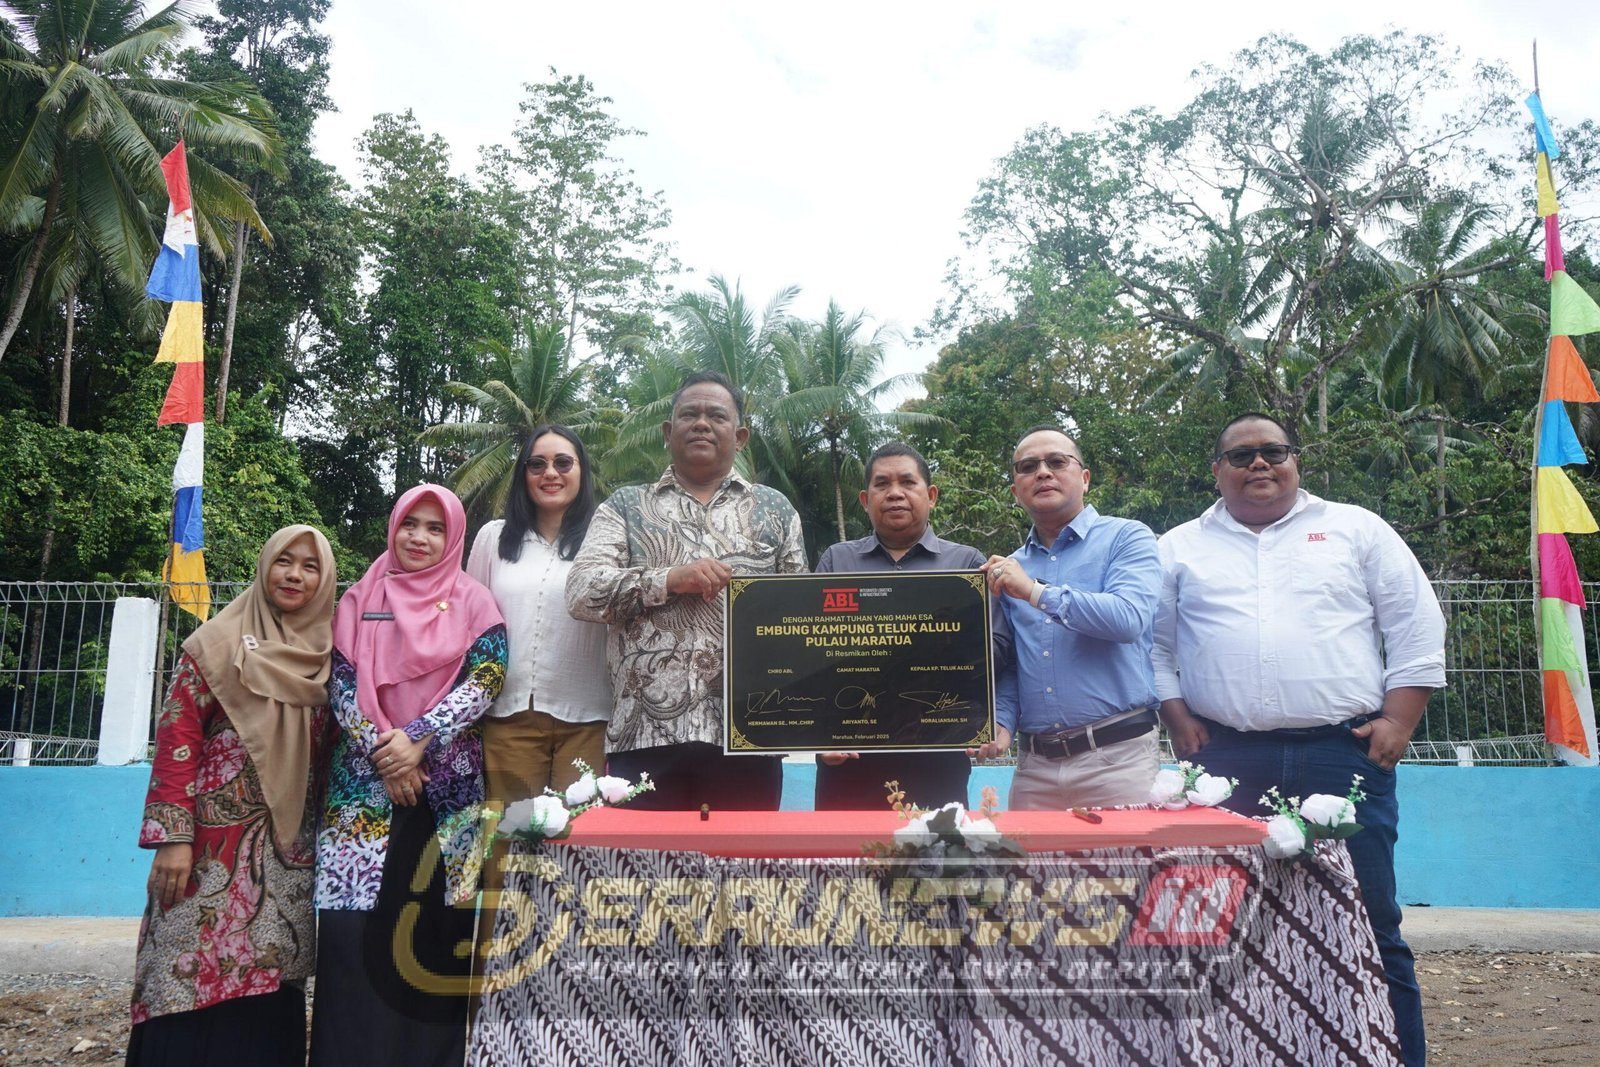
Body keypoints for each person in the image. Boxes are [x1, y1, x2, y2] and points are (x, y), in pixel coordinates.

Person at [1152, 412, 1445, 1067]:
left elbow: (1416, 625)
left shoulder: (1356, 529)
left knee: (1370, 922)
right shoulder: (1178, 547)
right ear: (1217, 470)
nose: (1259, 464)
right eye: (1242, 455)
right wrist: (1176, 715)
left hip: (1344, 755)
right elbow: (1155, 644)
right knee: (1215, 923)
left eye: (1273, 451)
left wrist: (1399, 720)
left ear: (1295, 459)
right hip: (1224, 760)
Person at [310, 484, 507, 1067]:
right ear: (392, 528)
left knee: (435, 931)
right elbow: (339, 683)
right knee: (353, 936)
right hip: (362, 792)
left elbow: (489, 678)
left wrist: (418, 738)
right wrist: (384, 750)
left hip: (447, 791)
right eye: (409, 525)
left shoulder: (475, 601)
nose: (419, 538)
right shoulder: (360, 596)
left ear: (454, 539)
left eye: (434, 528)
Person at [127, 525, 336, 1067]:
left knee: (268, 978)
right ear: (264, 566)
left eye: (310, 566)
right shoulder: (215, 644)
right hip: (205, 850)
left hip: (287, 854)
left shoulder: (329, 655)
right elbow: (177, 740)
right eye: (284, 561)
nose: (294, 575)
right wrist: (173, 838)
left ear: (325, 578)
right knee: (184, 969)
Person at [567, 371, 806, 809]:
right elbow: (581, 591)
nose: (701, 423)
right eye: (688, 414)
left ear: (741, 436)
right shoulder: (625, 505)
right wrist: (669, 579)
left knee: (744, 875)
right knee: (644, 874)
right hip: (643, 738)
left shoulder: (776, 510)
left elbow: (800, 619)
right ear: (667, 431)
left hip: (749, 735)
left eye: (716, 415)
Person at [464, 425, 610, 947]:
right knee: (505, 857)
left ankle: (571, 999)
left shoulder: (607, 540)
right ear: (523, 474)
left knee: (578, 858)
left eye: (563, 463)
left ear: (582, 472)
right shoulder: (492, 539)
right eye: (537, 463)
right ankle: (493, 1004)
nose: (550, 473)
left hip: (589, 718)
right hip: (509, 720)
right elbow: (471, 624)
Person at [973, 425, 1162, 809]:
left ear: (1085, 478)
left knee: (1124, 870)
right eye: (1028, 466)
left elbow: (1128, 619)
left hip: (1118, 760)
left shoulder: (1127, 538)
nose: (1043, 472)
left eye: (1057, 461)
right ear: (1015, 491)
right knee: (1028, 871)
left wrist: (1034, 592)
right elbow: (1014, 664)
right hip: (1035, 768)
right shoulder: (1011, 568)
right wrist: (1002, 724)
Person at [814, 441, 1010, 810]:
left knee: (935, 864)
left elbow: (996, 649)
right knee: (842, 866)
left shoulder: (968, 564)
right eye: (882, 484)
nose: (895, 494)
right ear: (864, 498)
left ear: (931, 494)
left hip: (938, 756)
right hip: (848, 760)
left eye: (908, 482)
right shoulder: (836, 561)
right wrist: (818, 738)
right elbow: (810, 658)